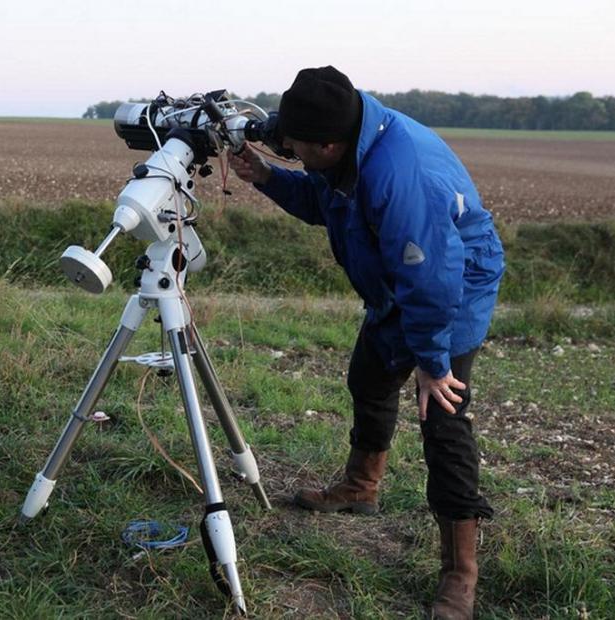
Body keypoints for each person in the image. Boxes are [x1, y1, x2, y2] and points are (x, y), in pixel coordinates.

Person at [230, 65, 504, 620]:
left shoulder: (398, 177)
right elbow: (323, 200)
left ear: (329, 145)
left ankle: (460, 572)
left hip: (454, 283)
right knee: (371, 377)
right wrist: (267, 176)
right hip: (398, 276)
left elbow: (432, 279)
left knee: (443, 418)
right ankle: (361, 487)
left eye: (296, 149)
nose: (291, 152)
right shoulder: (348, 133)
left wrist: (433, 362)